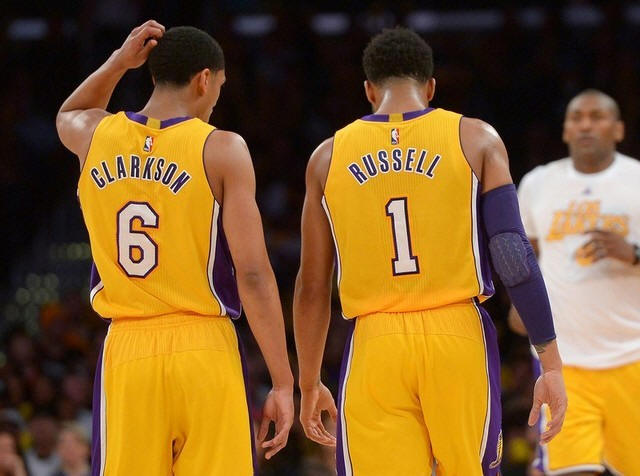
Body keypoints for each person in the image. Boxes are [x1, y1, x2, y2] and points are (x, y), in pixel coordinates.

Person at [293, 27, 567, 476]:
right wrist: (550, 363)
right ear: (432, 86)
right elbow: (512, 254)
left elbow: (311, 285)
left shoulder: (326, 157)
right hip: (456, 334)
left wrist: (308, 383)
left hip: (375, 342)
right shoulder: (476, 138)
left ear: (369, 90)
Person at [55, 21, 294, 475]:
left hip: (128, 350)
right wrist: (283, 382)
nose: (217, 97)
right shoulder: (222, 148)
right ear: (205, 79)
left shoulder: (94, 135)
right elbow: (253, 274)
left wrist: (119, 61)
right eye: (220, 85)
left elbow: (71, 110)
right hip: (203, 347)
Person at [512, 89, 640, 475]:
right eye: (576, 118)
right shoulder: (537, 183)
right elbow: (525, 260)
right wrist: (521, 305)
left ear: (618, 129)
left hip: (632, 357)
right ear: (566, 130)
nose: (585, 125)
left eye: (597, 117)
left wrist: (632, 254)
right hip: (562, 363)